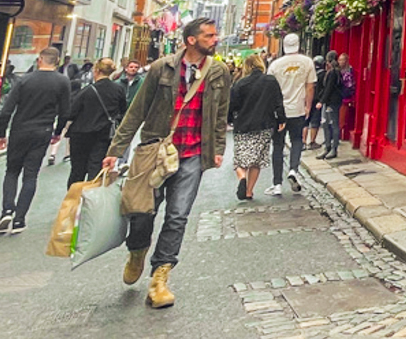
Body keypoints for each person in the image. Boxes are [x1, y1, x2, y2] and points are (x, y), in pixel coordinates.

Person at [103, 17, 230, 310]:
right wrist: (116, 149)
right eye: (209, 36)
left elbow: (221, 115)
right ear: (191, 40)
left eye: (215, 35)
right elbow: (137, 111)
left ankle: (160, 277)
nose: (215, 40)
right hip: (155, 150)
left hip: (192, 155)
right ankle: (137, 251)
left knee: (177, 217)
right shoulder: (162, 68)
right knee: (141, 212)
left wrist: (218, 148)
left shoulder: (219, 72)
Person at [0, 47, 69, 234]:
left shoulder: (24, 80)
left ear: (39, 60)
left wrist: (2, 134)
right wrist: (58, 132)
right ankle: (19, 219)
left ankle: (7, 210)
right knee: (31, 175)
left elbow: (6, 111)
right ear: (57, 61)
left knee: (11, 172)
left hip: (20, 130)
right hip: (43, 130)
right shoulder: (62, 82)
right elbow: (65, 111)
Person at [228, 52, 284, 201]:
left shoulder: (240, 84)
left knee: (240, 160)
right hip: (264, 124)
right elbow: (278, 101)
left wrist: (229, 120)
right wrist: (281, 119)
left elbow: (232, 105)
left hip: (242, 126)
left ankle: (241, 178)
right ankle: (249, 191)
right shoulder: (271, 81)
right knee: (256, 160)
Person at [64, 57, 126, 186]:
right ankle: (91, 199)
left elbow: (72, 113)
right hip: (103, 135)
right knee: (95, 169)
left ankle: (74, 199)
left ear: (96, 71)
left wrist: (59, 130)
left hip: (80, 134)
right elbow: (123, 112)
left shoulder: (86, 91)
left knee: (77, 171)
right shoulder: (118, 90)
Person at [267, 33, 314, 195]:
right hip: (298, 109)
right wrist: (308, 106)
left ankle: (277, 184)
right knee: (297, 141)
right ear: (299, 44)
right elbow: (310, 87)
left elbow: (270, 90)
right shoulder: (307, 62)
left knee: (278, 146)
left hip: (279, 112)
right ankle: (293, 169)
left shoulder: (275, 65)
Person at [317, 51, 343, 160]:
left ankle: (333, 148)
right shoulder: (333, 71)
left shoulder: (333, 72)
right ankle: (327, 147)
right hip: (330, 102)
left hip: (332, 102)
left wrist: (321, 101)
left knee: (333, 124)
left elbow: (329, 88)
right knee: (326, 124)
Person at [306, 54, 326, 149]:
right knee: (315, 121)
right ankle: (312, 142)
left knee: (305, 121)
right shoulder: (323, 74)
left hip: (307, 99)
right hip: (317, 100)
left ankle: (303, 142)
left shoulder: (309, 73)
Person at [338, 53, 356, 138]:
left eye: (342, 60)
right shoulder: (339, 70)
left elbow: (349, 85)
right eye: (339, 60)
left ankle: (338, 134)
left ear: (346, 61)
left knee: (342, 117)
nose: (340, 62)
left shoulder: (349, 71)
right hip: (339, 96)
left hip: (344, 96)